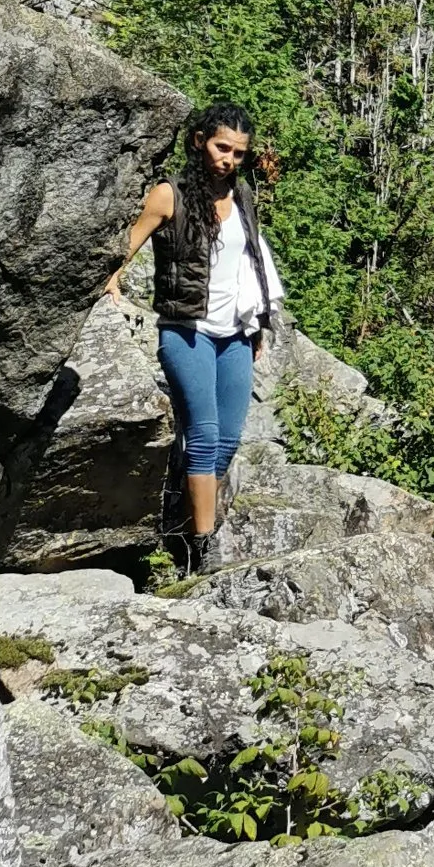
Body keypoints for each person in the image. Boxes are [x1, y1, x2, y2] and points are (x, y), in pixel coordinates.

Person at [108, 104, 285, 571]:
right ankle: (198, 551)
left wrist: (259, 322)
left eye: (238, 153)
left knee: (227, 441)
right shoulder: (171, 194)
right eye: (221, 147)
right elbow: (130, 242)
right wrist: (112, 281)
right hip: (187, 331)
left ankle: (180, 512)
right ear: (199, 141)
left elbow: (251, 261)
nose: (228, 159)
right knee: (204, 437)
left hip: (236, 336)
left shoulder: (243, 195)